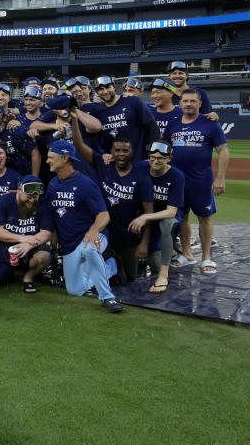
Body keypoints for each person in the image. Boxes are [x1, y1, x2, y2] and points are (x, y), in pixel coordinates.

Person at [44, 140, 124, 313]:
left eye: (51, 157)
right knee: (75, 290)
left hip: (92, 236)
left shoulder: (86, 184)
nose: (47, 161)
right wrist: (54, 243)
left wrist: (93, 230)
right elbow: (55, 217)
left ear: (64, 158)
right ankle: (111, 266)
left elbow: (104, 215)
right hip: (69, 243)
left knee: (89, 250)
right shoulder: (52, 185)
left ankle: (107, 298)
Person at [72, 122, 154, 285]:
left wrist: (144, 243)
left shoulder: (141, 178)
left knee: (129, 279)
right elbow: (79, 145)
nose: (121, 154)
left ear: (132, 152)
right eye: (117, 150)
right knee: (115, 278)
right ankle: (104, 263)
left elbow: (148, 215)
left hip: (128, 237)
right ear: (111, 152)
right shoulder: (104, 165)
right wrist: (74, 119)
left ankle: (119, 263)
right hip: (105, 234)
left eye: (125, 150)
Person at [165, 89, 229, 274]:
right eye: (185, 101)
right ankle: (187, 254)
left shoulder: (210, 124)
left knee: (204, 217)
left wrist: (220, 178)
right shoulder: (173, 124)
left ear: (199, 104)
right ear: (180, 104)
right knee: (183, 217)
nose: (188, 104)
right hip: (178, 181)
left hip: (201, 181)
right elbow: (164, 149)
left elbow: (223, 150)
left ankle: (207, 257)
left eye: (193, 101)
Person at [130, 141, 185, 293]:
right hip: (143, 219)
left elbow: (171, 212)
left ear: (169, 159)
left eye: (160, 158)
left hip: (163, 219)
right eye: (152, 157)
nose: (155, 161)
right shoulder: (141, 166)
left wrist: (145, 217)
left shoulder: (176, 176)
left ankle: (163, 275)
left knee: (167, 224)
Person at [0, 177, 53, 293]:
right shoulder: (3, 201)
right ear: (19, 190)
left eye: (35, 196)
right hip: (5, 248)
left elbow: (46, 232)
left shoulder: (43, 203)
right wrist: (21, 238)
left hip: (31, 247)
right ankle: (11, 273)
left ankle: (28, 278)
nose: (32, 200)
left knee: (44, 256)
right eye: (29, 197)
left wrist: (28, 245)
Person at [91, 75, 159, 158]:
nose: (105, 92)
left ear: (114, 87)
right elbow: (101, 141)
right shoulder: (98, 112)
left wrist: (152, 155)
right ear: (97, 92)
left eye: (108, 87)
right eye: (101, 89)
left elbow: (153, 129)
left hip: (139, 161)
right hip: (115, 165)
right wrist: (105, 154)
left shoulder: (133, 101)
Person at [0, 102, 40, 176]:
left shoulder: (15, 131)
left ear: (1, 115)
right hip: (3, 179)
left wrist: (34, 179)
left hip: (23, 176)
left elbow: (36, 154)